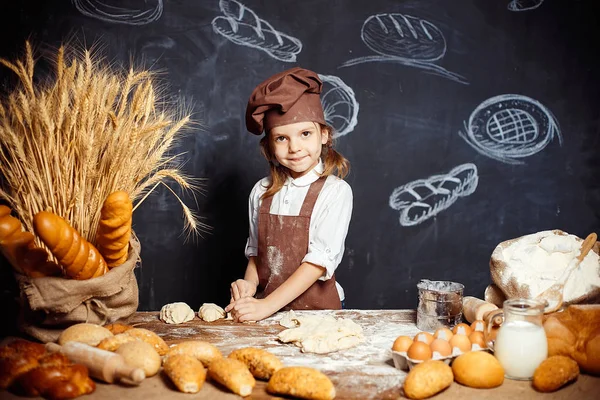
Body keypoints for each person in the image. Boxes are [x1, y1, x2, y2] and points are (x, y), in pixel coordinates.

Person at [225, 67, 353, 322]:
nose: (294, 147)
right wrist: (249, 286)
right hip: (266, 314)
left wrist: (264, 306)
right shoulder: (260, 192)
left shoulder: (335, 192)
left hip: (318, 315)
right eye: (282, 138)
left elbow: (317, 265)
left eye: (305, 134)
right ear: (269, 147)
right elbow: (257, 255)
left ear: (324, 135)